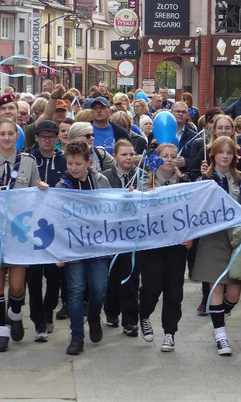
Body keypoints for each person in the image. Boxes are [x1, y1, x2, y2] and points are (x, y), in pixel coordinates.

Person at [0, 118, 48, 352]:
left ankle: (15, 313)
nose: (6, 138)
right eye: (2, 134)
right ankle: (1, 333)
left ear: (17, 136)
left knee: (16, 287)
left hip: (19, 232)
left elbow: (35, 194)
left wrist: (42, 189)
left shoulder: (28, 161)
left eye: (10, 134)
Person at [193, 136, 241, 355]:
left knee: (234, 293)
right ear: (213, 155)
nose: (225, 156)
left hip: (236, 238)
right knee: (216, 286)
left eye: (229, 152)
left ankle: (221, 317)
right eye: (221, 152)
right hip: (213, 238)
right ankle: (220, 336)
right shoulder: (204, 180)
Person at [55, 139, 111, 355]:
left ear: (88, 162)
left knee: (99, 288)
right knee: (76, 290)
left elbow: (113, 207)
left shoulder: (101, 181)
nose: (73, 168)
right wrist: (59, 250)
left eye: (78, 164)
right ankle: (76, 335)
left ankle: (94, 315)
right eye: (69, 163)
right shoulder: (61, 187)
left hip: (98, 246)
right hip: (73, 247)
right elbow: (57, 218)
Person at [138, 143, 192, 352]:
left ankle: (170, 332)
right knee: (152, 285)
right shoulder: (145, 181)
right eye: (165, 156)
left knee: (174, 289)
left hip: (176, 243)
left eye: (173, 156)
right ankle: (144, 313)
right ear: (156, 159)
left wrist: (190, 237)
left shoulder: (184, 181)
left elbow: (192, 212)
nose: (169, 159)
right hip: (152, 243)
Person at [27, 120, 66, 342]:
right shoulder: (29, 160)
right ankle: (38, 322)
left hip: (56, 228)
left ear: (57, 138)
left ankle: (49, 308)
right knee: (33, 278)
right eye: (43, 136)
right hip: (31, 227)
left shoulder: (64, 160)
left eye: (51, 136)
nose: (47, 140)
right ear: (37, 138)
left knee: (54, 278)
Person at [103, 139, 141, 337]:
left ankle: (130, 320)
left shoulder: (141, 176)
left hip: (133, 235)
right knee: (113, 276)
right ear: (115, 156)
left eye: (131, 154)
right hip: (111, 234)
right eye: (124, 154)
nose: (128, 158)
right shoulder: (105, 177)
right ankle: (111, 311)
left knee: (131, 276)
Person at [171, 101, 198, 171]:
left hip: (184, 175)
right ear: (171, 113)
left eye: (183, 112)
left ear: (187, 115)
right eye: (177, 111)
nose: (180, 114)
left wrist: (186, 162)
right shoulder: (161, 133)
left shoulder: (195, 137)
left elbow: (198, 161)